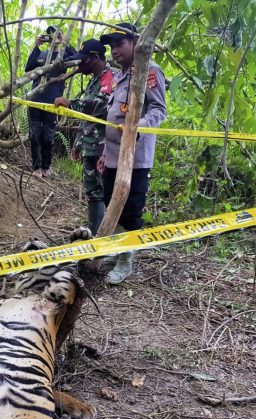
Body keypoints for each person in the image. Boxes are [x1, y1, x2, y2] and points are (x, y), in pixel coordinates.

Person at [97, 22, 167, 284]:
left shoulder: (149, 71)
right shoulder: (117, 75)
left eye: (120, 44)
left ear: (135, 43)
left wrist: (139, 127)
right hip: (113, 154)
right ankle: (116, 251)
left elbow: (159, 109)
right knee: (109, 202)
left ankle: (126, 260)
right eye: (112, 46)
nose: (115, 50)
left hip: (135, 158)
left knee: (130, 210)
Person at [53, 39, 114, 233]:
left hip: (103, 147)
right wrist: (78, 142)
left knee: (104, 192)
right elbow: (85, 119)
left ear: (94, 58)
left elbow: (101, 105)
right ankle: (93, 234)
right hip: (89, 145)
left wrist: (71, 103)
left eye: (83, 60)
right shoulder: (94, 80)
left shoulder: (109, 77)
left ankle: (103, 236)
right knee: (93, 192)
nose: (80, 65)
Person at [24, 26, 76, 177]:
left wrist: (64, 42)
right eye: (50, 35)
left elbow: (77, 58)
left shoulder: (64, 55)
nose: (52, 38)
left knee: (48, 136)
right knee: (34, 135)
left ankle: (46, 167)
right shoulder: (41, 54)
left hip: (54, 102)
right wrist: (36, 46)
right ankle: (36, 167)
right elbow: (28, 68)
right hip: (35, 100)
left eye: (55, 35)